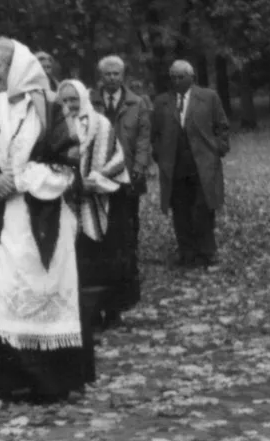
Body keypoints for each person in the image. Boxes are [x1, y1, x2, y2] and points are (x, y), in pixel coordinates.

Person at [0, 38, 87, 410]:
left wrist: (24, 178)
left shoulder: (48, 107)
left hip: (40, 219)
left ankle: (47, 385)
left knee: (39, 287)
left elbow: (70, 163)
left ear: (17, 67)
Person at [58, 80, 130, 347]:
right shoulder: (57, 127)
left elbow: (117, 157)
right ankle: (86, 315)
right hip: (68, 202)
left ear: (83, 98)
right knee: (77, 261)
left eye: (73, 99)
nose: (69, 105)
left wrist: (96, 179)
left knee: (103, 260)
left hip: (99, 200)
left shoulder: (101, 123)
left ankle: (109, 311)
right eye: (64, 100)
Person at [151, 60, 229, 267]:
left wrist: (218, 149)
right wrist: (160, 155)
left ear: (191, 77)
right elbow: (155, 133)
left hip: (203, 165)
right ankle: (187, 253)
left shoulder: (209, 97)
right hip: (175, 166)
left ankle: (207, 252)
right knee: (180, 210)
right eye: (173, 77)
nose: (177, 81)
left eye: (181, 77)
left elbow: (222, 126)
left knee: (203, 208)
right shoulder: (162, 102)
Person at [90, 56, 151, 324]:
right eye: (108, 74)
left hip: (127, 179)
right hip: (97, 179)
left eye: (116, 73)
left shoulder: (137, 103)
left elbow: (143, 139)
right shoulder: (90, 101)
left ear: (123, 75)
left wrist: (139, 168)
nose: (112, 78)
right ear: (100, 76)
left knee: (126, 232)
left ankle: (123, 292)